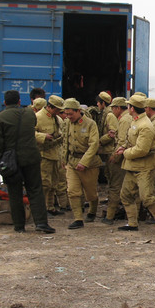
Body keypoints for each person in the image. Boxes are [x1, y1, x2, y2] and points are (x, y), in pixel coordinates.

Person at [0, 90, 55, 234]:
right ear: (19, 101)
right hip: (31, 157)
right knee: (35, 190)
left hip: (11, 161)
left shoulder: (0, 117)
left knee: (15, 192)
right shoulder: (29, 114)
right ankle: (41, 222)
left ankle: (19, 225)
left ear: (5, 102)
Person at [114, 95, 155, 235]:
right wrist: (124, 146)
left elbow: (142, 149)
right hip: (132, 166)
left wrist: (125, 152)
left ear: (132, 108)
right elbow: (131, 140)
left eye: (129, 106)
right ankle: (132, 223)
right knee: (126, 195)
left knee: (146, 197)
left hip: (144, 167)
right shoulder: (136, 121)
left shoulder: (145, 126)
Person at [64, 98, 102, 229]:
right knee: (72, 191)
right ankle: (78, 218)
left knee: (90, 193)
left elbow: (94, 145)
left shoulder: (90, 124)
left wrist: (84, 162)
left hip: (89, 164)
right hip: (72, 163)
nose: (68, 117)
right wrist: (64, 160)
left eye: (71, 114)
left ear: (78, 111)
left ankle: (92, 210)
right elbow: (65, 142)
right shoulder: (67, 123)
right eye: (66, 114)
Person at [34, 95, 65, 216]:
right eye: (57, 110)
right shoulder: (38, 117)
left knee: (54, 183)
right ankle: (41, 208)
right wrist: (43, 136)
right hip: (44, 155)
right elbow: (29, 133)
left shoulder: (57, 119)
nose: (59, 112)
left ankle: (50, 207)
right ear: (50, 107)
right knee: (44, 183)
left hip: (56, 154)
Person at [102, 97, 130, 224]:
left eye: (113, 108)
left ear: (118, 108)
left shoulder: (124, 120)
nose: (112, 111)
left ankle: (110, 215)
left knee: (115, 186)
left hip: (121, 158)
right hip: (129, 158)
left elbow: (122, 141)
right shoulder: (130, 118)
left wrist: (115, 157)